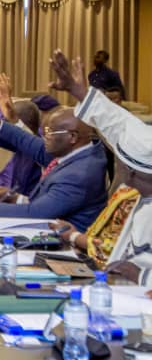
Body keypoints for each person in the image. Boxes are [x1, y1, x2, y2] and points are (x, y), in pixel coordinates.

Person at [50, 49, 151, 283]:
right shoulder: (142, 164)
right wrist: (78, 91)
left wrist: (143, 276)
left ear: (131, 172)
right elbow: (120, 124)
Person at [0, 99, 107, 231]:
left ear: (72, 137)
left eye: (49, 132)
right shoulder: (79, 150)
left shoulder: (79, 174)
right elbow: (28, 142)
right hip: (47, 225)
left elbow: (34, 213)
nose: (45, 137)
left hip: (64, 239)